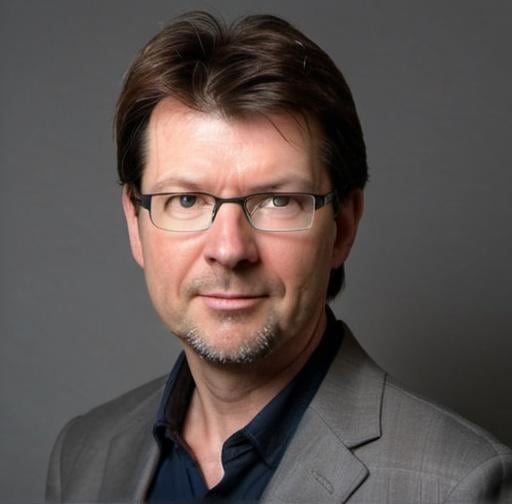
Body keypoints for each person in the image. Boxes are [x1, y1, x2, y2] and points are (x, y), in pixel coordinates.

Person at [46, 11, 512, 504]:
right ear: (135, 222)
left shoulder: (461, 486)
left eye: (277, 200)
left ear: (343, 226)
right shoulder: (82, 455)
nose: (229, 249)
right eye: (186, 200)